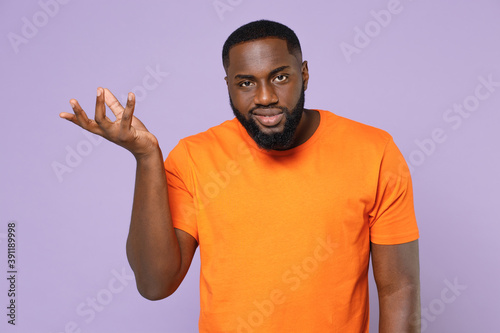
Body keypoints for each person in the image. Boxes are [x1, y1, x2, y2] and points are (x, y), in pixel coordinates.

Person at [60, 20, 420, 333]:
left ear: (305, 73)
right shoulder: (194, 157)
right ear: (229, 84)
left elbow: (398, 288)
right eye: (246, 83)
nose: (265, 97)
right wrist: (146, 157)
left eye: (280, 77)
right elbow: (155, 283)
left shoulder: (373, 151)